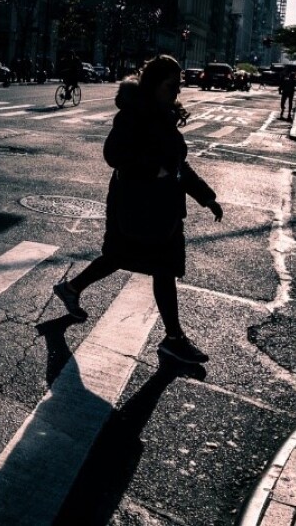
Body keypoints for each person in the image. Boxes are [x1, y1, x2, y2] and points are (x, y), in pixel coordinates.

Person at [52, 55, 224, 365]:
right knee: (153, 265)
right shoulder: (134, 114)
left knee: (131, 259)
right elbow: (114, 154)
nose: (177, 92)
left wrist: (206, 196)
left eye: (178, 85)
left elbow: (177, 165)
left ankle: (72, 288)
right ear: (154, 84)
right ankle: (173, 339)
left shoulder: (162, 113)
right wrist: (153, 170)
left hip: (161, 207)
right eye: (172, 85)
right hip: (138, 204)